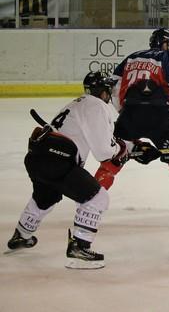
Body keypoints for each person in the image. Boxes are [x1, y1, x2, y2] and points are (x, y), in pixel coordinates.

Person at [6, 71, 128, 269]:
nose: (109, 94)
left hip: (38, 158)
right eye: (108, 90)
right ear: (102, 91)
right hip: (58, 160)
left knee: (45, 198)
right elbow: (104, 152)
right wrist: (121, 149)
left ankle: (22, 235)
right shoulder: (96, 106)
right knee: (97, 198)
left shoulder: (78, 102)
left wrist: (119, 144)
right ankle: (80, 246)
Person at [94, 28, 169, 224]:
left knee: (113, 160)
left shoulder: (131, 58)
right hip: (160, 118)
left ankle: (90, 199)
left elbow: (114, 88)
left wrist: (123, 114)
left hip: (129, 115)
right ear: (166, 44)